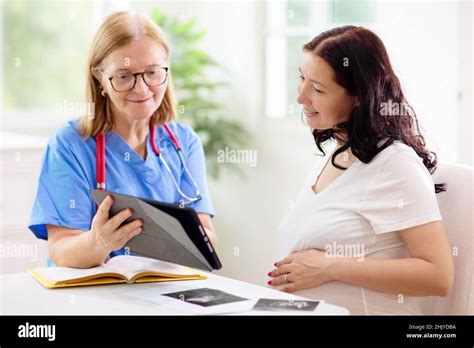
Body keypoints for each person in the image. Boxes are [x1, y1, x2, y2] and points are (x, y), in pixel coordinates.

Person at [268, 26, 454, 314]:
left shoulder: (396, 164)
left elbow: (439, 277)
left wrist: (331, 267)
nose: (301, 97)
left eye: (317, 89)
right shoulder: (335, 155)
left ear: (358, 98)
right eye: (302, 78)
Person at [28, 11, 217, 268]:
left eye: (152, 72)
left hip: (162, 296)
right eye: (124, 76)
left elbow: (206, 238)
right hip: (90, 299)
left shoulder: (184, 143)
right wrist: (98, 243)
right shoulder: (70, 145)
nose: (141, 89)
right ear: (100, 79)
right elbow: (61, 249)